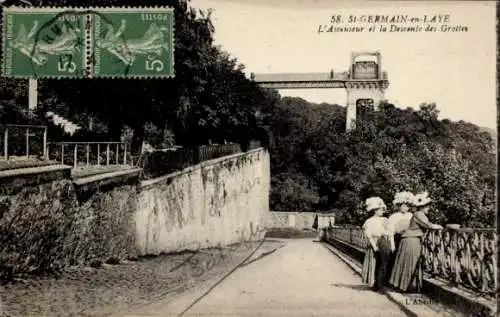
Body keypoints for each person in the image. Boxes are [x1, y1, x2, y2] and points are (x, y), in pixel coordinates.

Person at [389, 191, 443, 293]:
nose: (428, 208)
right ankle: (407, 287)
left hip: (409, 240)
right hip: (411, 240)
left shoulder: (417, 214)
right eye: (427, 207)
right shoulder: (419, 214)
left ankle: (404, 286)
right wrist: (438, 226)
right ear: (422, 207)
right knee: (411, 263)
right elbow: (427, 225)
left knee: (407, 263)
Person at [361, 197, 395, 292]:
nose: (382, 211)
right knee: (374, 262)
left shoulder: (385, 220)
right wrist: (374, 247)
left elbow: (390, 233)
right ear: (375, 210)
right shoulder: (369, 221)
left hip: (384, 242)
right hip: (375, 243)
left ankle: (382, 282)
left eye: (383, 209)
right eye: (380, 209)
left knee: (383, 264)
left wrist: (392, 245)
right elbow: (369, 236)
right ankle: (374, 282)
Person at [387, 191, 414, 280]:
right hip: (397, 239)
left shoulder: (411, 216)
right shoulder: (393, 217)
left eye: (407, 206)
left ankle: (405, 279)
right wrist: (392, 244)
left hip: (408, 239)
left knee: (406, 260)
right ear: (399, 206)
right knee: (396, 260)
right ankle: (393, 279)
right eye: (404, 206)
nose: (406, 208)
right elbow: (391, 232)